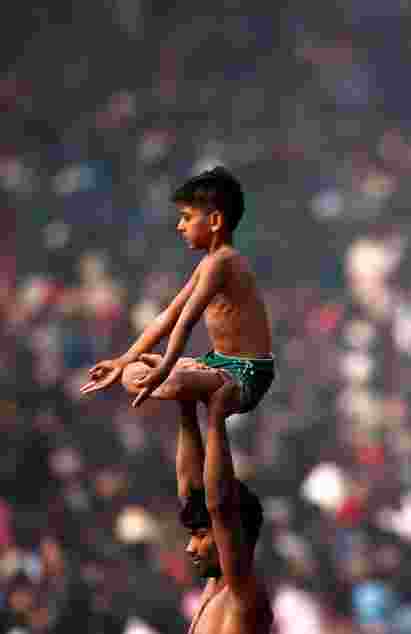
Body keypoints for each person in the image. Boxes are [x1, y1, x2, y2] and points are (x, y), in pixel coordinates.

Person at [80, 166, 275, 423]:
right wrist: (122, 360)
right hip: (216, 363)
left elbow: (185, 322)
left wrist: (165, 369)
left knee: (175, 381)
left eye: (186, 217)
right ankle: (177, 376)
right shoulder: (208, 263)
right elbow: (170, 315)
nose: (179, 226)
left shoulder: (223, 262)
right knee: (130, 373)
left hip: (245, 374)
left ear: (215, 221)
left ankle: (178, 377)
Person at [176, 396, 273, 633]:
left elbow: (220, 507)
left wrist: (216, 418)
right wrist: (186, 407)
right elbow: (192, 491)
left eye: (200, 535)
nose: (190, 547)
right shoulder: (213, 589)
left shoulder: (244, 594)